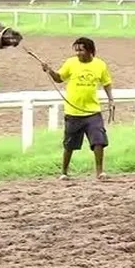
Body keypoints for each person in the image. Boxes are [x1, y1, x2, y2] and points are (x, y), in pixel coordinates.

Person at [41, 37, 114, 180]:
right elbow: (59, 78)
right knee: (69, 144)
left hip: (93, 111)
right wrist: (49, 70)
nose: (78, 53)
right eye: (77, 50)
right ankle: (64, 172)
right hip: (73, 112)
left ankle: (100, 172)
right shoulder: (70, 63)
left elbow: (107, 83)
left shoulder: (100, 65)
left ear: (90, 51)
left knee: (98, 140)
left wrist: (111, 100)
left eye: (81, 50)